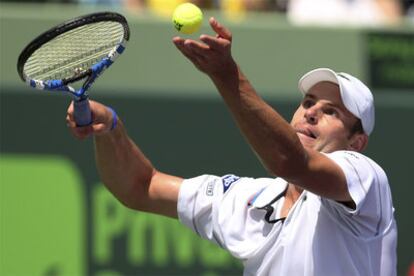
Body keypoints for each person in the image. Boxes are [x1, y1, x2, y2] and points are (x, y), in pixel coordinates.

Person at [66, 17, 397, 275]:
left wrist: (227, 76)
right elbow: (141, 187)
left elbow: (291, 163)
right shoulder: (247, 199)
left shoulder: (365, 179)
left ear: (356, 142)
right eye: (308, 102)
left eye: (331, 112)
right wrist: (110, 129)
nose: (311, 112)